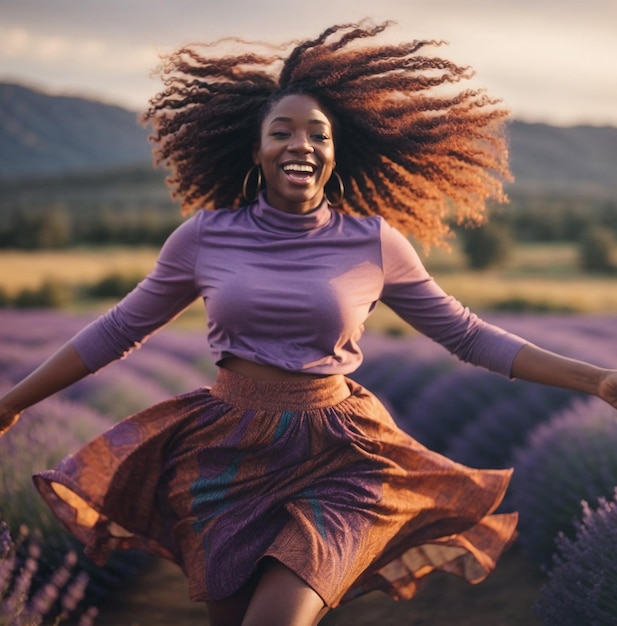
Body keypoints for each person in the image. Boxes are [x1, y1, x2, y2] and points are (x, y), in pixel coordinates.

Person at [1, 20, 616, 626]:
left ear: (334, 152)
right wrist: (13, 403)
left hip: (338, 453)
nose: (302, 145)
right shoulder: (205, 236)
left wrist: (595, 381)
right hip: (224, 453)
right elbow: (116, 330)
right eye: (283, 132)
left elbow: (467, 334)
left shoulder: (374, 242)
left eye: (318, 134)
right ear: (256, 150)